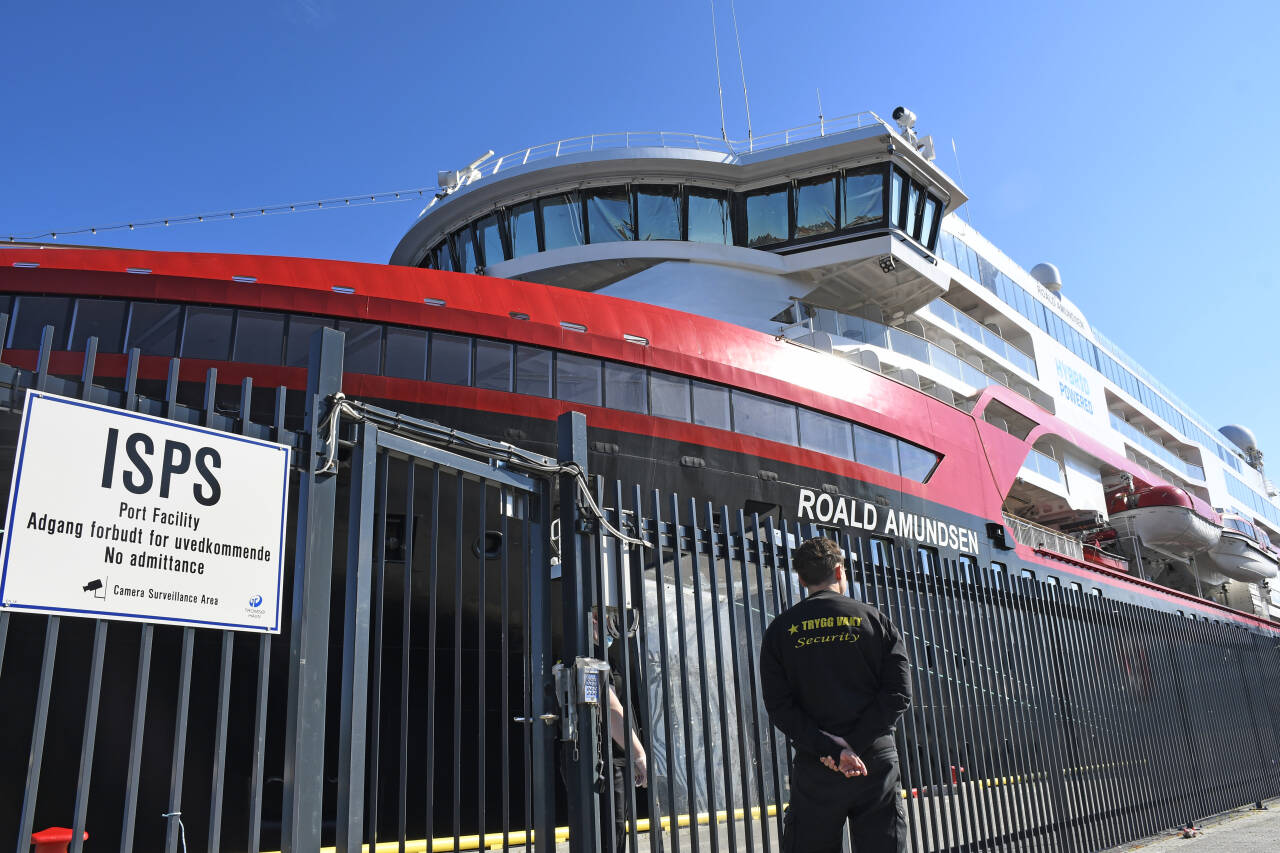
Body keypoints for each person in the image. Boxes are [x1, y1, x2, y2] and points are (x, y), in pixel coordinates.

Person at [760, 537, 912, 853]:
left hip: (818, 763)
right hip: (875, 761)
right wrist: (854, 744)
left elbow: (779, 707)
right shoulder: (876, 620)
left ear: (801, 579)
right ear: (840, 571)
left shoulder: (779, 631)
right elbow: (899, 693)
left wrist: (831, 750)